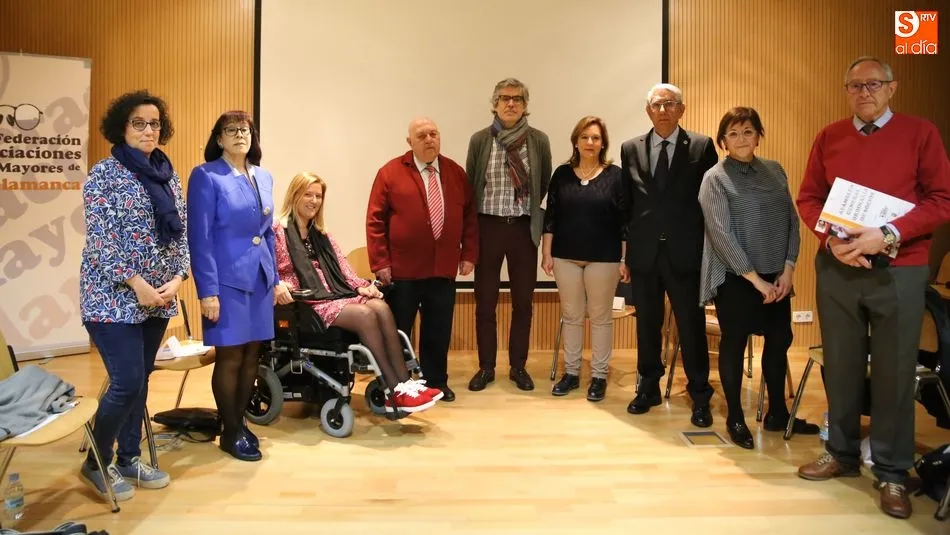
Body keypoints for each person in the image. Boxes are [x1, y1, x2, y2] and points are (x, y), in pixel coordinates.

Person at [796, 56, 950, 519]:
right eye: (855, 85)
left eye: (874, 84)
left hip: (899, 268)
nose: (864, 92)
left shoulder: (920, 133)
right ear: (846, 92)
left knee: (893, 372)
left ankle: (892, 471)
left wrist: (886, 235)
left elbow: (941, 199)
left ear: (891, 88)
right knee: (840, 365)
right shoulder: (829, 136)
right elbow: (809, 198)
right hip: (839, 268)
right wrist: (832, 241)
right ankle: (840, 454)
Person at [79, 90, 186, 500]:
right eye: (139, 123)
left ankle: (127, 456)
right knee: (126, 382)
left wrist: (178, 277)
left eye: (155, 123)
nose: (148, 130)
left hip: (158, 298)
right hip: (112, 298)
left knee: (140, 382)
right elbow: (101, 242)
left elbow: (181, 232)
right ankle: (95, 459)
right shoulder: (104, 174)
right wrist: (135, 283)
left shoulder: (167, 173)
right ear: (122, 127)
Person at [698, 106, 819, 449]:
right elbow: (720, 234)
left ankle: (778, 411)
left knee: (779, 341)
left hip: (777, 275)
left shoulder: (775, 170)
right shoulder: (715, 178)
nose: (741, 139)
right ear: (722, 140)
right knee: (734, 343)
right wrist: (756, 280)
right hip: (737, 278)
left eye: (748, 131)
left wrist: (789, 269)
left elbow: (792, 223)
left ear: (758, 135)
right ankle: (735, 415)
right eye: (733, 133)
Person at [274, 172, 442, 412]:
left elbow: (343, 268)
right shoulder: (277, 231)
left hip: (334, 293)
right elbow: (266, 269)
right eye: (307, 194)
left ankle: (406, 383)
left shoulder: (322, 234)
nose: (313, 201)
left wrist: (362, 286)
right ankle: (394, 390)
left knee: (379, 306)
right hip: (307, 301)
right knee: (364, 315)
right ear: (294, 195)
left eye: (318, 196)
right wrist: (279, 284)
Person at [621, 83, 717, 427]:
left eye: (670, 104)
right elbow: (628, 204)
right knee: (647, 325)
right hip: (644, 253)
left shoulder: (702, 146)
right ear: (648, 111)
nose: (663, 110)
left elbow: (711, 203)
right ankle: (648, 387)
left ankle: (700, 395)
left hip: (685, 253)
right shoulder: (630, 148)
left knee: (691, 327)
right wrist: (625, 253)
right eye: (657, 105)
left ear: (682, 109)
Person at [366, 117, 479, 402]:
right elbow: (375, 220)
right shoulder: (390, 173)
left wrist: (468, 254)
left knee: (438, 331)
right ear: (410, 142)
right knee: (399, 331)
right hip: (402, 272)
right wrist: (380, 263)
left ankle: (436, 381)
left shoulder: (455, 173)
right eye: (422, 135)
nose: (429, 139)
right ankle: (399, 384)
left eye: (434, 134)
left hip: (442, 269)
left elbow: (469, 218)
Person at [187, 111, 278, 462]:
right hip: (224, 283)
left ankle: (239, 422)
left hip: (259, 280)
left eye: (246, 129)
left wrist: (276, 279)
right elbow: (200, 237)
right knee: (230, 357)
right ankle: (229, 430)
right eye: (232, 130)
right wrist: (207, 291)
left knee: (252, 355)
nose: (240, 134)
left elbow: (267, 233)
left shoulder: (264, 176)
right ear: (219, 138)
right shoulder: (206, 175)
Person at [466, 78, 552, 392]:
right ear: (495, 103)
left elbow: (542, 184)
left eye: (517, 98)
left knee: (523, 303)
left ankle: (518, 367)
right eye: (504, 98)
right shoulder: (479, 140)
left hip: (522, 229)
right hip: (487, 228)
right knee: (485, 302)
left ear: (525, 104)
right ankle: (486, 367)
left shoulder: (538, 140)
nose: (510, 103)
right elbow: (471, 187)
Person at [542, 116, 628, 401]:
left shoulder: (615, 176)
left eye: (596, 138)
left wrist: (625, 259)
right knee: (572, 316)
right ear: (575, 141)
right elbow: (551, 217)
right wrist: (546, 252)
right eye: (585, 137)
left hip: (604, 259)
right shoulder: (562, 174)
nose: (590, 143)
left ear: (603, 143)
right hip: (565, 257)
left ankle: (600, 376)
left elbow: (624, 222)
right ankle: (572, 373)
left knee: (601, 317)